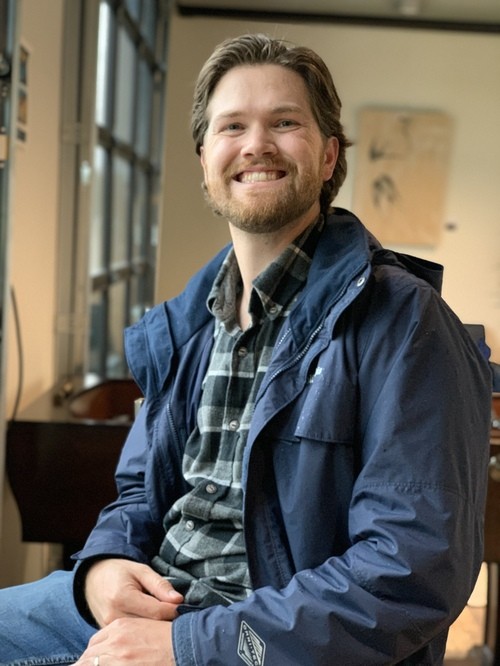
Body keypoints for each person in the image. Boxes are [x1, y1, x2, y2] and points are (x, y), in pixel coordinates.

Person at [0, 33, 492, 666]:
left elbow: (409, 571)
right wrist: (102, 566)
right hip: (156, 605)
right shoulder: (185, 326)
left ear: (328, 156)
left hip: (262, 641)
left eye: (285, 123)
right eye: (232, 126)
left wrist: (187, 646)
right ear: (205, 158)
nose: (256, 144)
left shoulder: (406, 323)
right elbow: (139, 494)